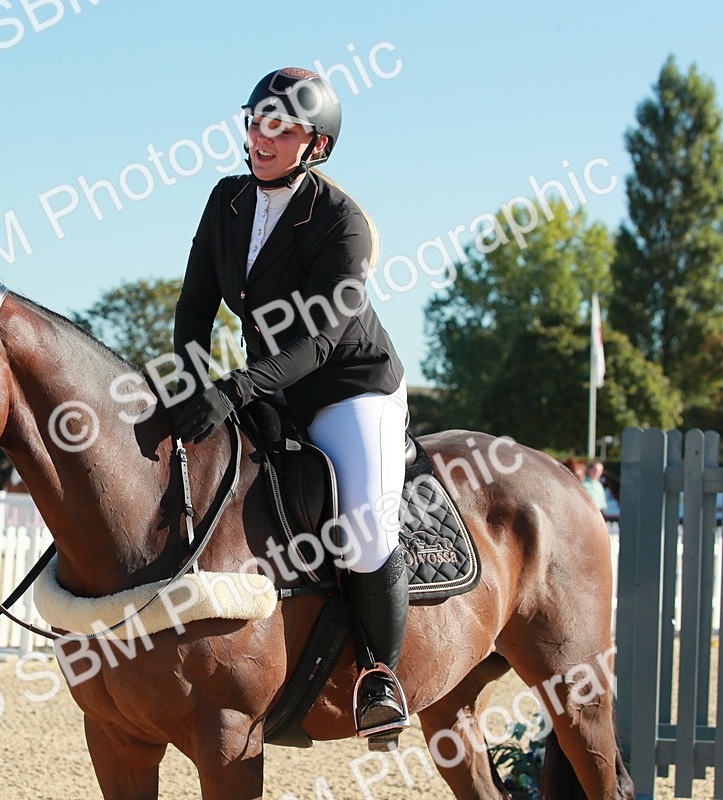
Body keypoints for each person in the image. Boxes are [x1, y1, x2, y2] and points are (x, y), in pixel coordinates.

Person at [169, 67, 410, 747]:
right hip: (267, 383)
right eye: (256, 121)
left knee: (364, 523)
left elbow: (323, 340)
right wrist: (194, 380)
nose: (263, 136)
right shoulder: (226, 201)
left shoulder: (342, 223)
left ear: (317, 146)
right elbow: (194, 308)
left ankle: (379, 676)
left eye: (283, 127)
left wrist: (238, 387)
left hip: (347, 387)